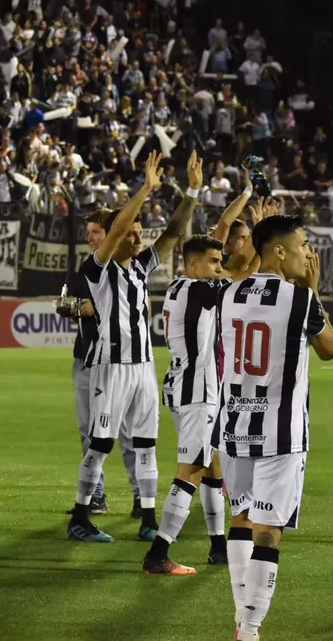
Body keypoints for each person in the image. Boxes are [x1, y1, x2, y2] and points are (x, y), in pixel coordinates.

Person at [215, 214, 333, 640]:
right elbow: (329, 349)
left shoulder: (228, 295)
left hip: (233, 427)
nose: (309, 253)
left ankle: (240, 615)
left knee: (242, 520)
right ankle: (249, 630)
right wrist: (313, 292)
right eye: (303, 245)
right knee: (269, 533)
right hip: (281, 433)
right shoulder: (300, 299)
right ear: (280, 251)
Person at [67, 151, 197, 543]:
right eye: (131, 231)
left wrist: (191, 190)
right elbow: (120, 223)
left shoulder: (140, 268)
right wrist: (144, 189)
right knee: (102, 443)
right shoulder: (98, 268)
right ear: (112, 237)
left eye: (140, 231)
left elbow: (174, 231)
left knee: (146, 446)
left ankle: (146, 518)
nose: (138, 235)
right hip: (111, 365)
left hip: (142, 367)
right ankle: (80, 517)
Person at [142, 159, 257, 575]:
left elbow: (221, 235)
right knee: (191, 469)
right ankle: (158, 553)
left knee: (212, 466)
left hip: (190, 386)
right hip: (197, 391)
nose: (218, 266)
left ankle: (216, 545)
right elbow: (243, 272)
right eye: (212, 262)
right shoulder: (200, 289)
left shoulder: (184, 286)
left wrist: (245, 195)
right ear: (193, 266)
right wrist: (261, 238)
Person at [59, 208, 140, 517]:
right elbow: (65, 305)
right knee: (88, 430)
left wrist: (85, 308)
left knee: (129, 432)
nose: (90, 237)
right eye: (89, 231)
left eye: (96, 232)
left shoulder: (120, 270)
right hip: (85, 357)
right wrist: (79, 308)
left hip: (119, 360)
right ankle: (96, 496)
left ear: (111, 234)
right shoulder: (83, 268)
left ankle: (139, 495)